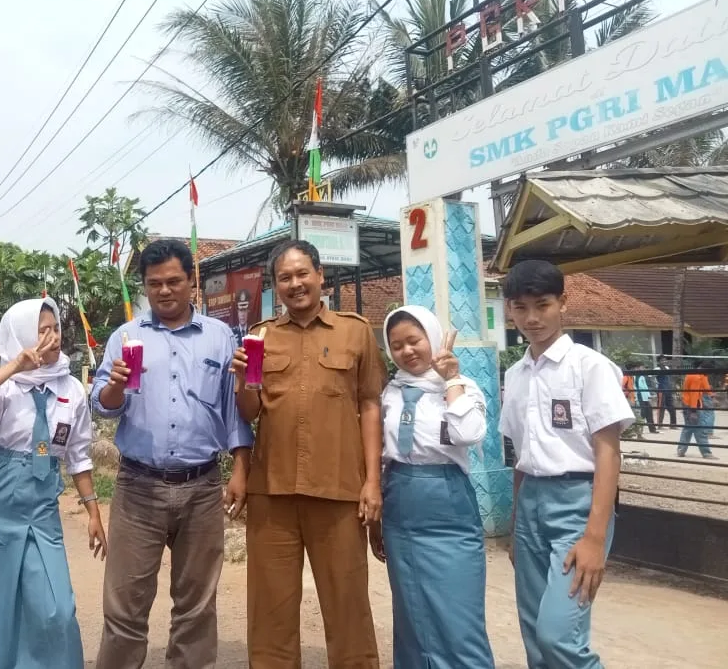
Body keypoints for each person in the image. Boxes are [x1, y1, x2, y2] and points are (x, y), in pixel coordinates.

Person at [91, 238, 254, 669]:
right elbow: (102, 406)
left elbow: (234, 409)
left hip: (202, 487)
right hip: (137, 487)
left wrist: (241, 468)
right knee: (125, 605)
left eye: (173, 282)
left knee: (196, 605)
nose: (164, 291)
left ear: (191, 281)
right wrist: (115, 386)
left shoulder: (221, 338)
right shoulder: (125, 337)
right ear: (144, 286)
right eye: (154, 284)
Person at [232, 239, 383, 668]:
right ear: (275, 285)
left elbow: (371, 404)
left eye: (303, 274)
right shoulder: (261, 336)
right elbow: (249, 411)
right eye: (285, 277)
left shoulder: (355, 332)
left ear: (320, 276)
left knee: (348, 607)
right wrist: (244, 380)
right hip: (272, 494)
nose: (295, 284)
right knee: (270, 614)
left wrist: (373, 481)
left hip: (338, 491)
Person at [0, 298, 106, 668]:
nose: (52, 337)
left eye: (55, 328)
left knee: (56, 609)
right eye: (41, 330)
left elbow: (78, 455)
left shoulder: (72, 390)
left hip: (41, 509)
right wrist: (15, 365)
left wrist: (93, 511)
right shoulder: (5, 385)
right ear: (22, 337)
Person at [500, 259, 635, 669]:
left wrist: (595, 537)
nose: (532, 317)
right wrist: (514, 525)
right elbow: (521, 458)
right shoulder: (518, 374)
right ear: (509, 309)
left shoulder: (588, 366)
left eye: (542, 304)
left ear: (563, 303)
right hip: (530, 507)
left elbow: (608, 451)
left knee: (558, 635)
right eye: (521, 308)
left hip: (579, 502)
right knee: (534, 635)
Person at [371, 305, 495, 669]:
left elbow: (469, 434)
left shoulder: (463, 388)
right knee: (412, 616)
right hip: (400, 507)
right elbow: (383, 454)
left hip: (449, 509)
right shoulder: (390, 393)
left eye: (414, 341)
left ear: (434, 338)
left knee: (459, 620)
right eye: (397, 346)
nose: (407, 351)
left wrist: (451, 381)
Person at [678, 364, 715, 459]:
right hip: (692, 405)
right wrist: (693, 410)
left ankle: (681, 449)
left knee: (688, 428)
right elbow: (694, 394)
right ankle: (706, 453)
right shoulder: (697, 377)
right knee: (700, 429)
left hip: (687, 403)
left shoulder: (693, 374)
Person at [655, 355, 676, 429]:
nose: (664, 361)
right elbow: (651, 378)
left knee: (672, 407)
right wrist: (656, 385)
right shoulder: (657, 369)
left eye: (665, 360)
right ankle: (660, 425)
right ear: (659, 361)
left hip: (668, 390)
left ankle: (673, 425)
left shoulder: (667, 368)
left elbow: (669, 379)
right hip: (661, 390)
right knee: (661, 407)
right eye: (662, 360)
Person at [635, 368, 657, 434]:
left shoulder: (643, 377)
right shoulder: (636, 377)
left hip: (645, 397)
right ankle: (639, 431)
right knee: (643, 414)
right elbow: (639, 388)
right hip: (640, 397)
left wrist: (648, 396)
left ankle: (652, 429)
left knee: (649, 412)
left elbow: (645, 387)